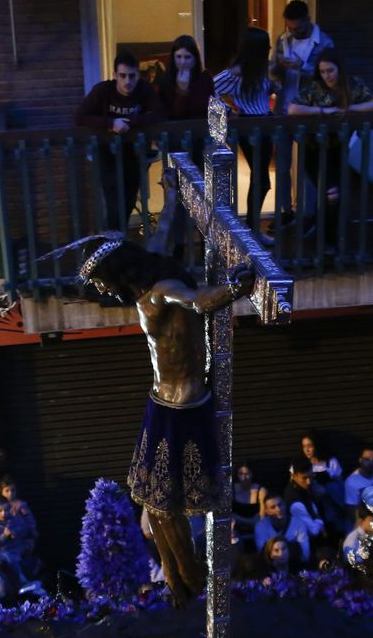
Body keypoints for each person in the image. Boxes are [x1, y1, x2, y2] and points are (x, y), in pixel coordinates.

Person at [80, 239, 253, 607]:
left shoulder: (163, 290)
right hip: (160, 402)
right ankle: (175, 579)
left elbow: (197, 300)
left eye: (99, 280)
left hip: (182, 407)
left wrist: (236, 288)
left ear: (115, 270)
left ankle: (190, 577)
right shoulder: (147, 290)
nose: (100, 289)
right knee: (151, 503)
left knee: (163, 507)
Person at [286, 49, 373, 244]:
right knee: (329, 191)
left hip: (337, 147)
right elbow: (293, 108)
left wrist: (348, 108)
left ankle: (327, 235)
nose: (327, 76)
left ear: (339, 69)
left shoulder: (352, 85)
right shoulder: (315, 87)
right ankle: (324, 234)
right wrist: (321, 111)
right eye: (323, 72)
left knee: (332, 193)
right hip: (313, 147)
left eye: (330, 70)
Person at [77, 51, 164, 231]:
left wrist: (131, 122)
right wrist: (110, 123)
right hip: (106, 151)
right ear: (115, 75)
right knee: (113, 202)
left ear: (138, 75)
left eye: (132, 76)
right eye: (122, 76)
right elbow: (80, 117)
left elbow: (160, 113)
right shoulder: (103, 90)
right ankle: (113, 240)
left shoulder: (144, 89)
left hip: (134, 152)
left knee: (129, 200)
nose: (127, 81)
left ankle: (115, 239)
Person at [268, 0, 332, 227]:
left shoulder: (324, 42)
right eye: (290, 27)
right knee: (281, 166)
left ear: (307, 20)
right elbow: (272, 74)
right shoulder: (282, 39)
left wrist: (300, 67)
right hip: (283, 110)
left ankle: (308, 214)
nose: (293, 32)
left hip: (308, 112)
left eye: (297, 28)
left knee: (307, 166)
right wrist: (277, 66)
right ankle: (285, 211)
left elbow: (327, 78)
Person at [214, 28, 278, 229]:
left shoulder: (259, 70)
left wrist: (272, 88)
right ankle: (252, 228)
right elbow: (211, 89)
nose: (269, 48)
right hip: (250, 127)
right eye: (265, 46)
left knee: (260, 179)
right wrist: (229, 111)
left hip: (263, 124)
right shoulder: (236, 73)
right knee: (261, 180)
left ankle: (252, 227)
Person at [158, 34, 214, 122]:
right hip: (176, 127)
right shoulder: (166, 79)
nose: (182, 62)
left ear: (195, 58)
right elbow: (170, 116)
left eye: (187, 57)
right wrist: (182, 92)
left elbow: (209, 108)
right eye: (178, 57)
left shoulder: (205, 77)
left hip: (201, 126)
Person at [231, 465, 266, 549]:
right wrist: (250, 521)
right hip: (236, 528)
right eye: (240, 474)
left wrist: (239, 519)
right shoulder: (232, 489)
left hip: (256, 527)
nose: (243, 477)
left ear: (252, 474)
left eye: (247, 474)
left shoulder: (260, 490)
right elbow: (229, 515)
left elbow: (262, 517)